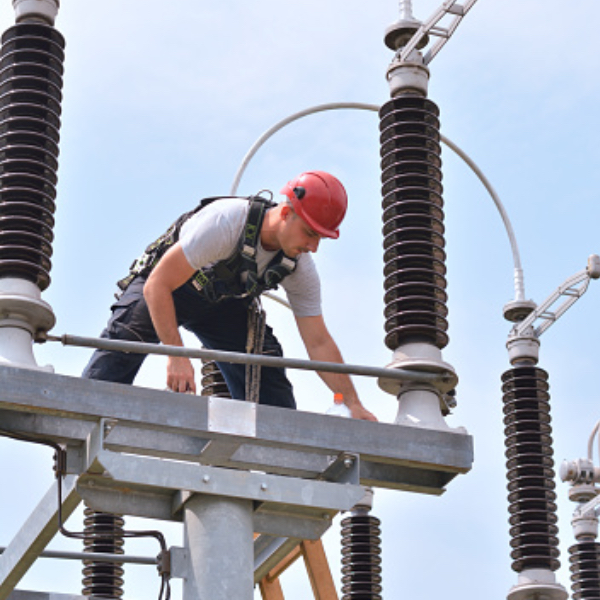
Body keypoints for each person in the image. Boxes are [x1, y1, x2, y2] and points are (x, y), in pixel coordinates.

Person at [82, 170, 377, 421]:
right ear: (286, 213)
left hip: (223, 307)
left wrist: (352, 402)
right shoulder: (227, 223)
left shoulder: (298, 268)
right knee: (124, 342)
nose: (313, 247)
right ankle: (82, 425)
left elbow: (319, 341)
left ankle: (281, 468)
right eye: (310, 234)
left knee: (266, 372)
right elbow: (157, 285)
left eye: (320, 239)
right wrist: (177, 356)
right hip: (169, 287)